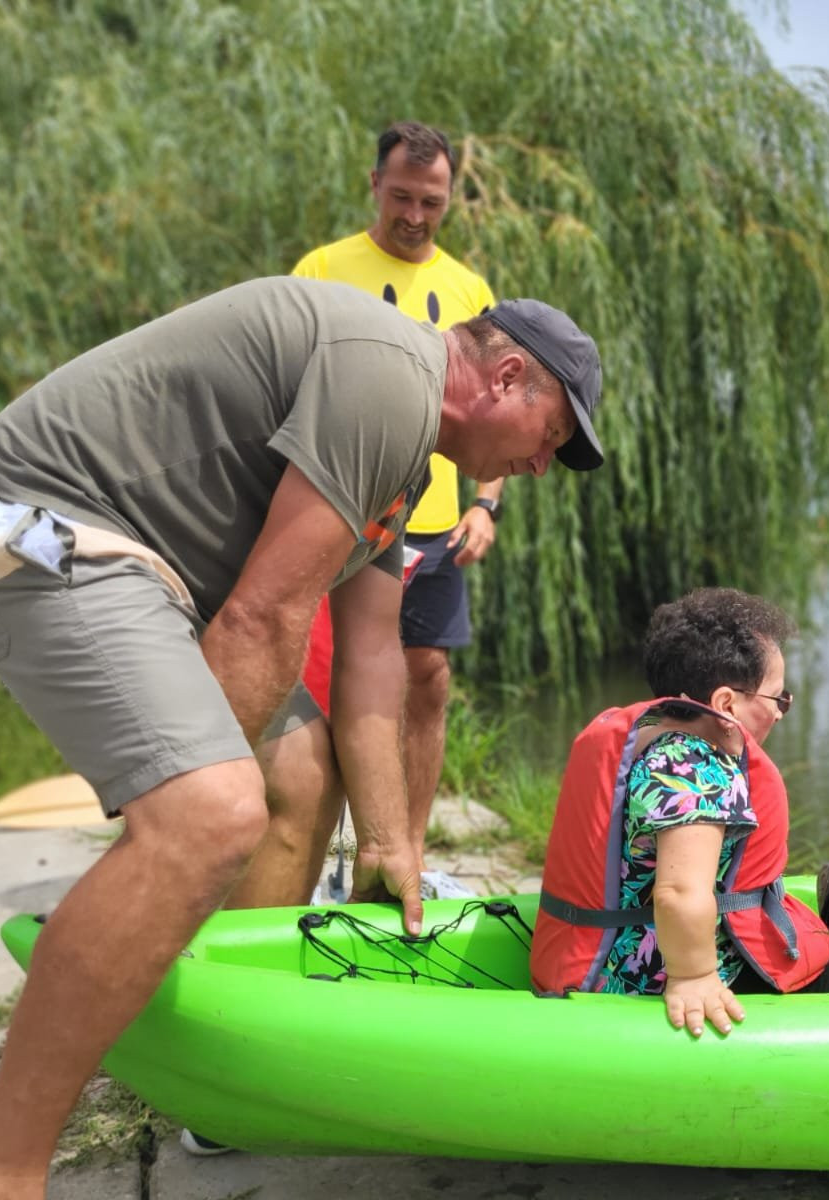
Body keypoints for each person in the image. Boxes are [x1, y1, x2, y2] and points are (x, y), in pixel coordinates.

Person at [0, 275, 604, 1200]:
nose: (539, 468)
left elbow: (373, 655)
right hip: (35, 522)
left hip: (148, 574)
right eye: (550, 437)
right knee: (210, 813)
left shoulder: (406, 465)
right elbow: (264, 617)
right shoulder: (388, 376)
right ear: (508, 376)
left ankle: (214, 1065)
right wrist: (184, 808)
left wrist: (391, 840)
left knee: (302, 775)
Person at [529, 588, 829, 1037]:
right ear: (726, 705)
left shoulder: (649, 739)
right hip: (650, 976)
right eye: (777, 699)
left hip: (607, 954)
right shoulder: (697, 769)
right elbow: (681, 893)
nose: (782, 713)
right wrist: (694, 978)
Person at [293, 121, 500, 898]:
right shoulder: (323, 268)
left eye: (432, 202)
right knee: (333, 678)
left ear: (450, 199)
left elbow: (494, 410)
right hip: (346, 507)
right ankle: (320, 853)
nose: (415, 215)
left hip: (435, 520)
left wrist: (486, 504)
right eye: (403, 197)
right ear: (375, 185)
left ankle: (406, 850)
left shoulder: (470, 288)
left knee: (428, 678)